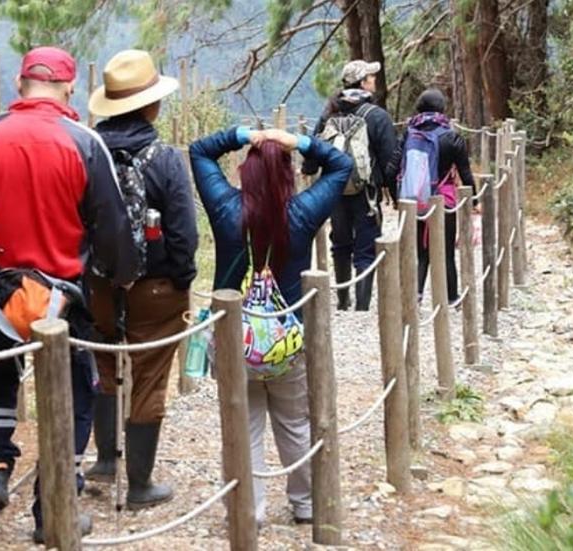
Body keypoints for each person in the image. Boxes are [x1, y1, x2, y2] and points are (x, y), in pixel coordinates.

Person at [0, 46, 139, 543]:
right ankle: (54, 509)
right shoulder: (84, 142)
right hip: (61, 300)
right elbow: (113, 230)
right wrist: (121, 275)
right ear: (70, 87)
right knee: (74, 400)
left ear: (20, 83)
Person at [190, 125, 352, 524]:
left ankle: (250, 509)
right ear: (288, 175)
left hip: (233, 339)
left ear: (245, 172)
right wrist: (296, 141)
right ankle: (306, 505)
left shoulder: (226, 209)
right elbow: (341, 164)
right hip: (288, 338)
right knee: (295, 422)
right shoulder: (302, 213)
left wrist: (246, 134)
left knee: (243, 424)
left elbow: (199, 151)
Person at [82, 50, 198, 509]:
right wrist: (181, 279)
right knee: (149, 379)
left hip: (98, 285)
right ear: (151, 105)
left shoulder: (86, 151)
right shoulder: (165, 159)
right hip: (157, 287)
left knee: (105, 367)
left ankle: (105, 462)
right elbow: (183, 233)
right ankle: (139, 485)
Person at [304, 60, 399, 311]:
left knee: (341, 242)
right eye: (371, 76)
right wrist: (395, 195)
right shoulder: (377, 116)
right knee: (367, 244)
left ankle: (343, 299)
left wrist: (311, 172)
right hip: (366, 191)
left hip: (333, 189)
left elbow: (313, 153)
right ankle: (363, 305)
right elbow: (391, 158)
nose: (374, 80)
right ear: (363, 83)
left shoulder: (329, 113)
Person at [401, 88, 476, 303]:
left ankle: (416, 294)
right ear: (442, 109)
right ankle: (451, 296)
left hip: (416, 198)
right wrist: (475, 201)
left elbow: (396, 164)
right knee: (446, 252)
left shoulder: (410, 133)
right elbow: (465, 173)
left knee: (422, 251)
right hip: (445, 198)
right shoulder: (452, 137)